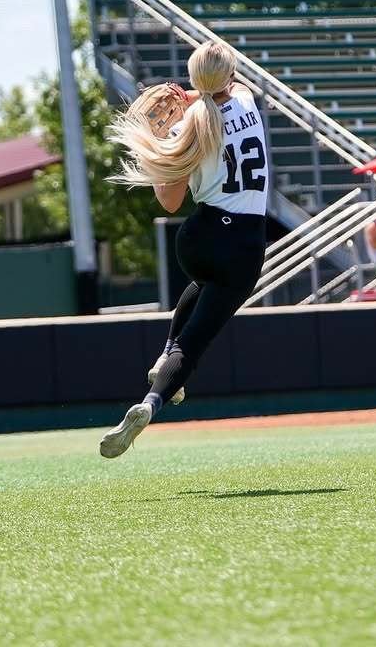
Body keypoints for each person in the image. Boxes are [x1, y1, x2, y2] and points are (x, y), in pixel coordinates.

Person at [98, 40, 268, 459]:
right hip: (244, 241)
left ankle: (164, 355)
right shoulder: (246, 101)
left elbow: (169, 202)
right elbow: (228, 90)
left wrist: (160, 139)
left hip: (197, 237)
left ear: (192, 81)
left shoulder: (186, 128)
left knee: (204, 284)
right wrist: (189, 94)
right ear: (229, 75)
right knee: (196, 341)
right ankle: (151, 402)